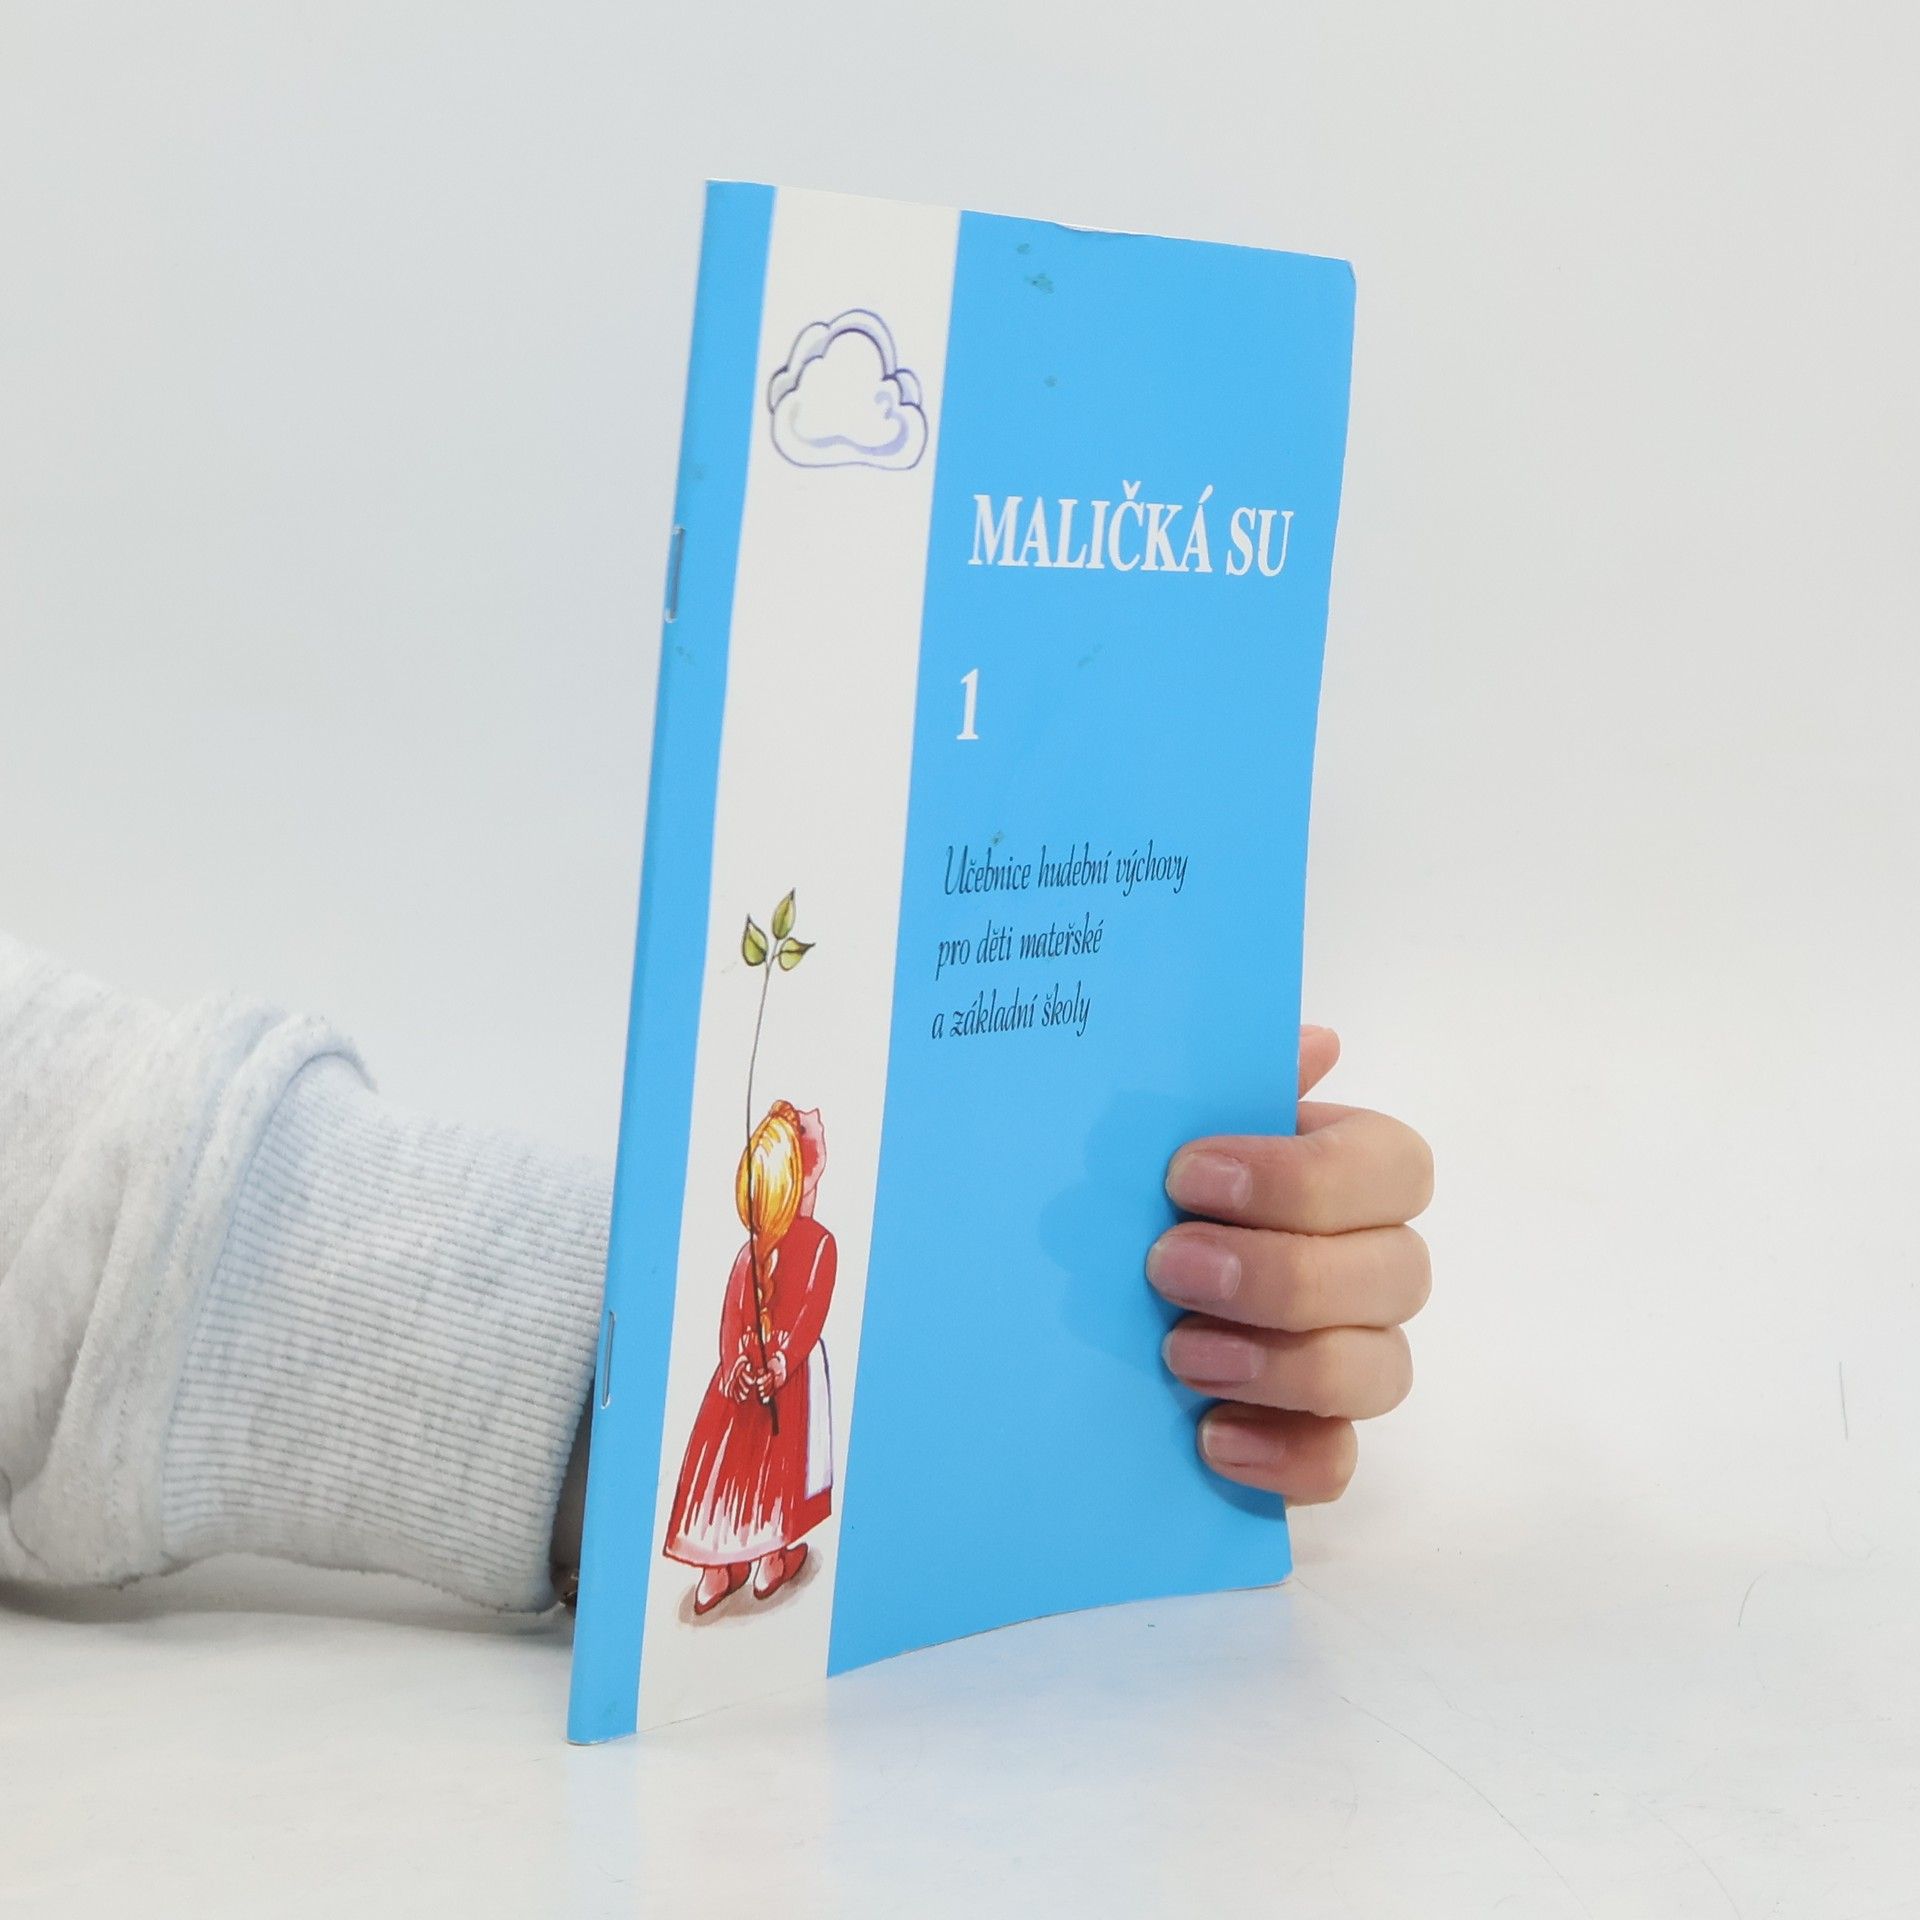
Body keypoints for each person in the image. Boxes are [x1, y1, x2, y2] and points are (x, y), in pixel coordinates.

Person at [0, 930, 1432, 1614]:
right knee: (739, 1493)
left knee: (760, 1490)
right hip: (735, 1400)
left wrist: (982, 1305)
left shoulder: (808, 1255)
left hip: (757, 1393)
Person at [663, 1101, 836, 1614]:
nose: (815, 1117)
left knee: (735, 1470)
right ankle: (762, 1561)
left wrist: (745, 1363)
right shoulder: (816, 1244)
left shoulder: (759, 1251)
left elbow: (754, 1320)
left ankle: (725, 1569)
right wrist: (772, 1363)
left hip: (751, 1382)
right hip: (775, 1382)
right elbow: (800, 1318)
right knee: (767, 1470)